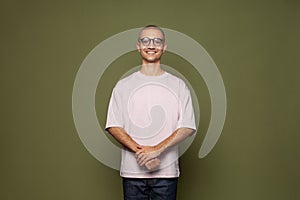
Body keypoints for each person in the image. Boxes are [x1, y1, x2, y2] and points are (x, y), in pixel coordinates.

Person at [105, 25, 196, 200]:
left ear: (164, 46)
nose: (151, 45)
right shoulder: (123, 86)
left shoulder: (178, 85)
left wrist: (157, 150)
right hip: (132, 174)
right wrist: (146, 154)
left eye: (157, 41)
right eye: (145, 40)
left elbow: (187, 126)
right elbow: (114, 125)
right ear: (138, 46)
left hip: (167, 174)